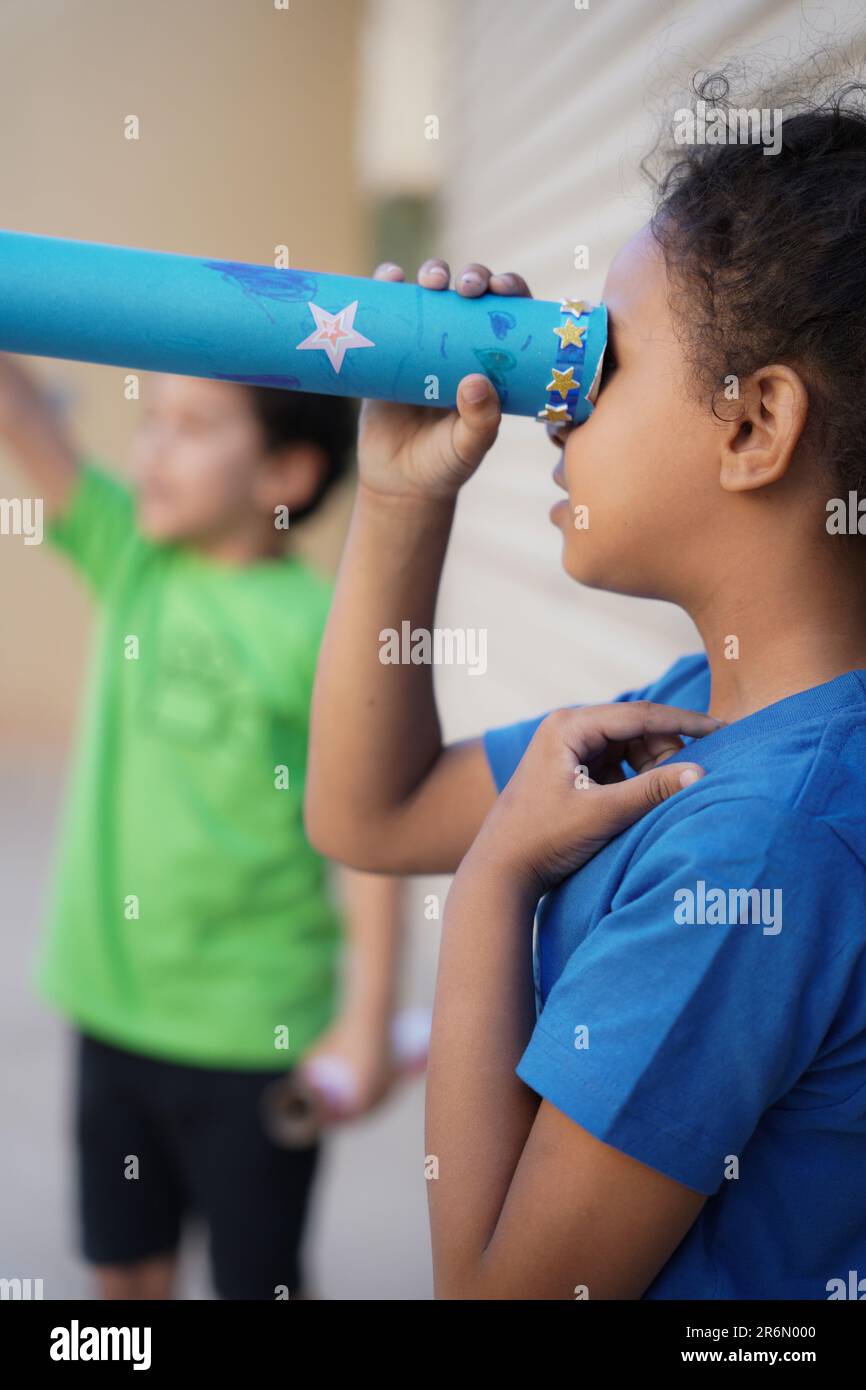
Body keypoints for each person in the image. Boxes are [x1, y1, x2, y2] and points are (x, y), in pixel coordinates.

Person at [304, 80, 866, 1298]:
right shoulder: (710, 716)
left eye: (598, 359)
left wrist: (500, 874)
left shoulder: (754, 851)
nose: (551, 410)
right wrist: (404, 494)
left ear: (753, 426)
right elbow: (371, 811)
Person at [0, 361, 403, 1300]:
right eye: (153, 422)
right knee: (124, 1267)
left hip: (255, 1035)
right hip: (113, 1008)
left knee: (256, 1278)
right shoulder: (130, 556)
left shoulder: (324, 628)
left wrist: (367, 1019)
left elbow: (371, 840)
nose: (153, 447)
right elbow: (23, 417)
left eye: (194, 426)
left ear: (284, 478)